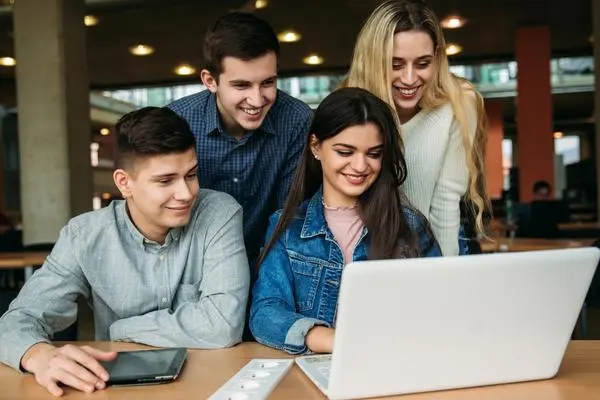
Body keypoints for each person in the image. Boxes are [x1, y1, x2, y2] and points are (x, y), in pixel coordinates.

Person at [0, 107, 250, 396]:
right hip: (114, 390)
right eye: (165, 181)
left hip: (209, 384)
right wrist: (39, 355)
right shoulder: (84, 236)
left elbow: (223, 325)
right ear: (124, 183)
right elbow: (18, 320)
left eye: (191, 174)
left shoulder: (219, 212)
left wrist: (120, 329)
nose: (186, 193)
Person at [249, 88, 441, 355]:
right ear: (316, 147)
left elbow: (439, 309)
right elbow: (265, 313)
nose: (360, 166)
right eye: (345, 151)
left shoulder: (411, 226)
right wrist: (331, 339)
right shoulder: (287, 226)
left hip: (397, 366)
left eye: (373, 154)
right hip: (318, 373)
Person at [342, 0, 490, 256]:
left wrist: (441, 280)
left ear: (437, 58)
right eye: (396, 64)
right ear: (374, 61)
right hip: (369, 250)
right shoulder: (352, 105)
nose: (410, 79)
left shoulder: (458, 102)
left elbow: (446, 204)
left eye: (422, 64)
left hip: (436, 247)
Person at [168, 12, 313, 268]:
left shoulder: (297, 120)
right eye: (241, 86)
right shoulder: (176, 121)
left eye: (268, 82)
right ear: (210, 81)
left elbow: (289, 216)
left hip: (270, 264)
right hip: (191, 267)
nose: (257, 100)